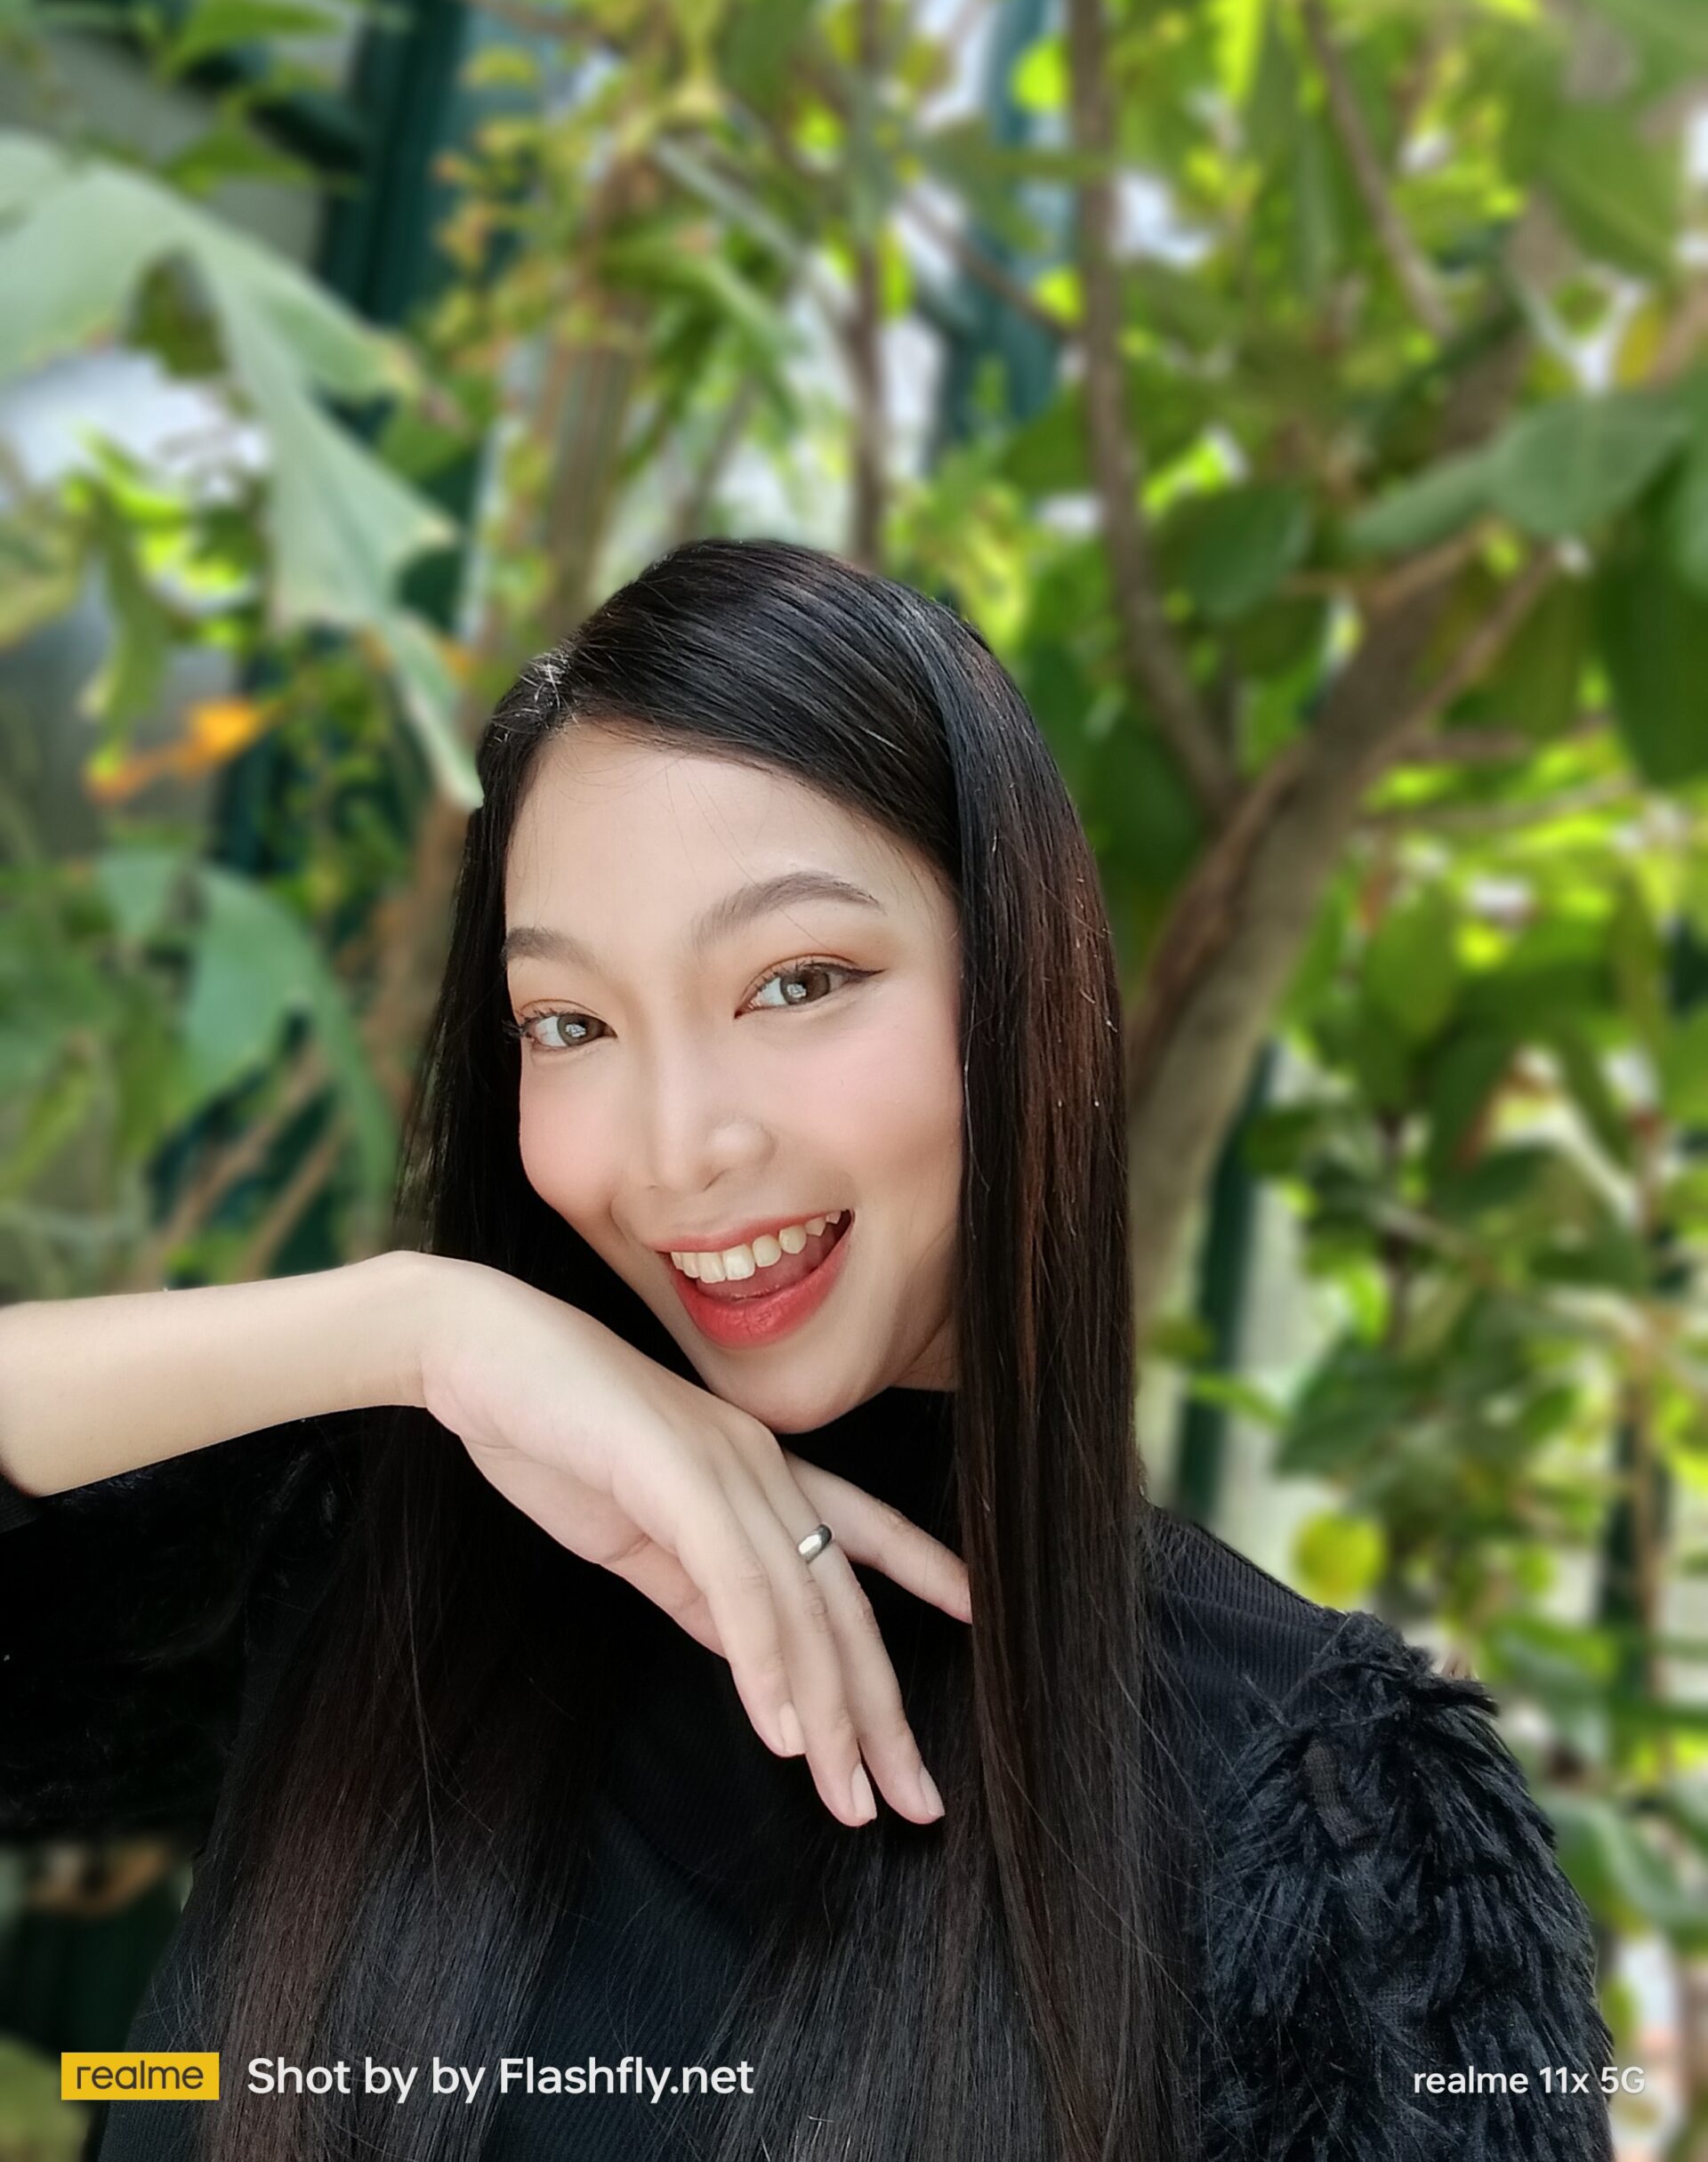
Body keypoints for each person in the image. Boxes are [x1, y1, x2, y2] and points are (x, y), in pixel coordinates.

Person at [0, 537, 1613, 2162]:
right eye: (569, 1022)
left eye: (797, 982)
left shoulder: (1323, 1818)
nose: (677, 1150)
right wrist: (415, 1322)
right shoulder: (382, 1525)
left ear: (1014, 987)